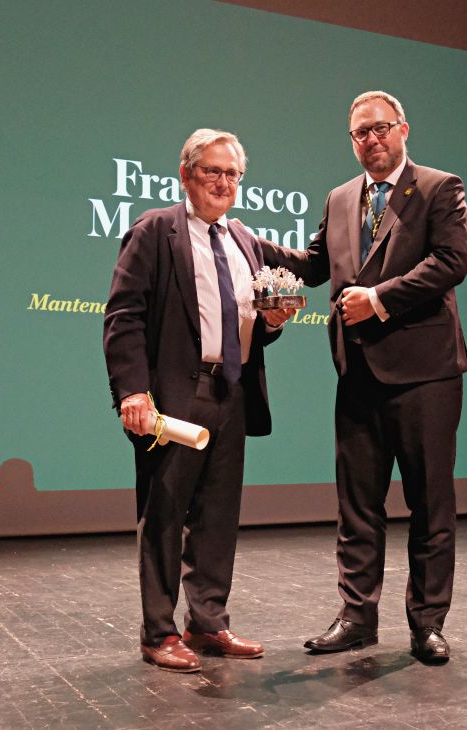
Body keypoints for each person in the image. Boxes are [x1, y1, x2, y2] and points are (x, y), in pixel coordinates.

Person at [260, 90, 467, 664]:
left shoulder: (437, 187)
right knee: (357, 507)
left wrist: (378, 300)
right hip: (356, 373)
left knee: (430, 505)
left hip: (426, 374)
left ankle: (427, 623)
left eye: (380, 129)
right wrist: (250, 242)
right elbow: (314, 263)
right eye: (360, 133)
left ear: (403, 128)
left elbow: (453, 262)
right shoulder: (340, 197)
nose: (371, 140)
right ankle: (357, 617)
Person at [103, 129, 295, 672]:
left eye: (232, 174)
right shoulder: (155, 230)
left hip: (230, 392)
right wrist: (132, 391)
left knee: (217, 515)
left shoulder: (243, 240)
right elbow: (124, 317)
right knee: (164, 514)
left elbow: (246, 322)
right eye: (212, 171)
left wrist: (273, 323)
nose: (223, 183)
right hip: (173, 398)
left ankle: (208, 622)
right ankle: (158, 632)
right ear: (186, 174)